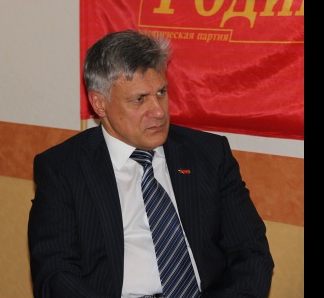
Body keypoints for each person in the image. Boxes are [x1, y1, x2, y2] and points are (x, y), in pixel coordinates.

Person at [27, 30, 274, 297]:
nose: (158, 111)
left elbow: (251, 252)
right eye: (139, 99)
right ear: (99, 104)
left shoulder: (209, 154)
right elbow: (55, 273)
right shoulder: (62, 169)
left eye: (161, 92)